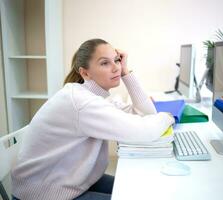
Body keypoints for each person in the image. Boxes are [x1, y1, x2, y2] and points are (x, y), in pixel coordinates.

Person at [11, 38, 174, 200]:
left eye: (116, 60)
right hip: (44, 193)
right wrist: (167, 116)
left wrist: (126, 72)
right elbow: (144, 131)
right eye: (105, 63)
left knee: (143, 192)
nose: (115, 67)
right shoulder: (83, 102)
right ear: (85, 73)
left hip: (76, 180)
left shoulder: (98, 96)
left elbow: (146, 114)